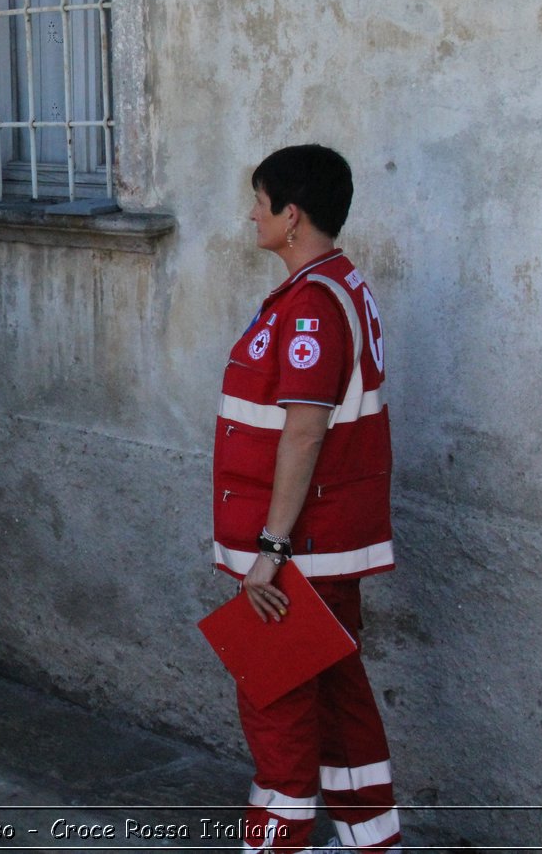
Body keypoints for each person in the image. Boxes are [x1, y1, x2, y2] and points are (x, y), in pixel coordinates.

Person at [214, 145, 398, 853]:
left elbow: (305, 428)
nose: (250, 214)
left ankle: (275, 844)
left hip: (301, 549)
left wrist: (271, 548)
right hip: (320, 546)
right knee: (339, 700)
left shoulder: (314, 303)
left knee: (277, 704)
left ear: (292, 216)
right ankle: (374, 842)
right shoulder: (334, 285)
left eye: (259, 201)